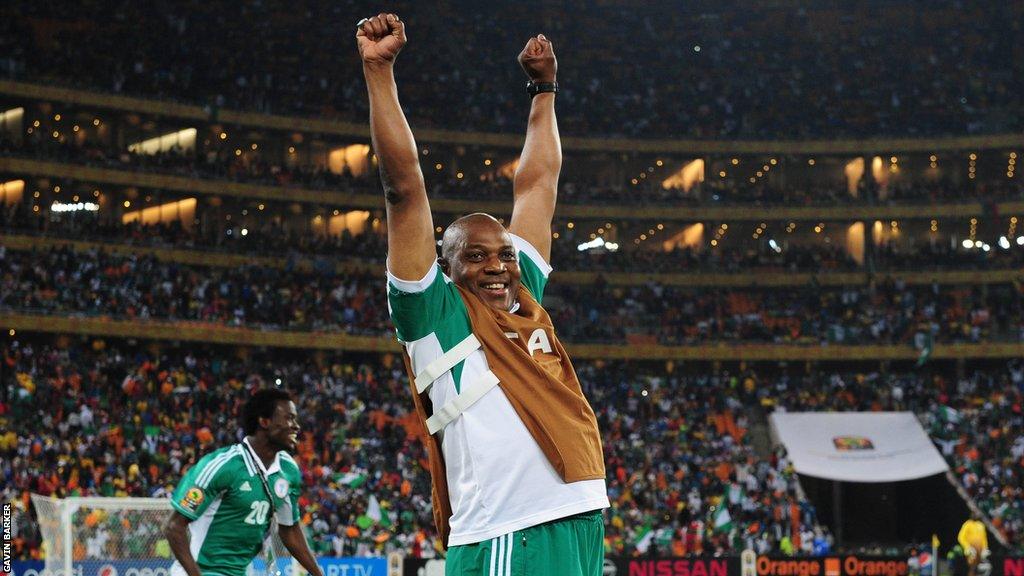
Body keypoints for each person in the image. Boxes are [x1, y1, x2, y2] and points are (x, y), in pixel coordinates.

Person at [357, 13, 609, 576]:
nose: (496, 266)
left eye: (503, 254)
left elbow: (538, 184)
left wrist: (543, 90)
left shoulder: (524, 295)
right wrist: (379, 72)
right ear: (444, 268)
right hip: (506, 529)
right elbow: (403, 189)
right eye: (475, 256)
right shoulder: (432, 313)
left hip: (581, 513)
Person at [163, 388, 323, 576]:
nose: (296, 426)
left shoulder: (288, 471)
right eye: (288, 418)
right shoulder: (223, 466)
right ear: (264, 421)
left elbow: (290, 529)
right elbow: (173, 527)